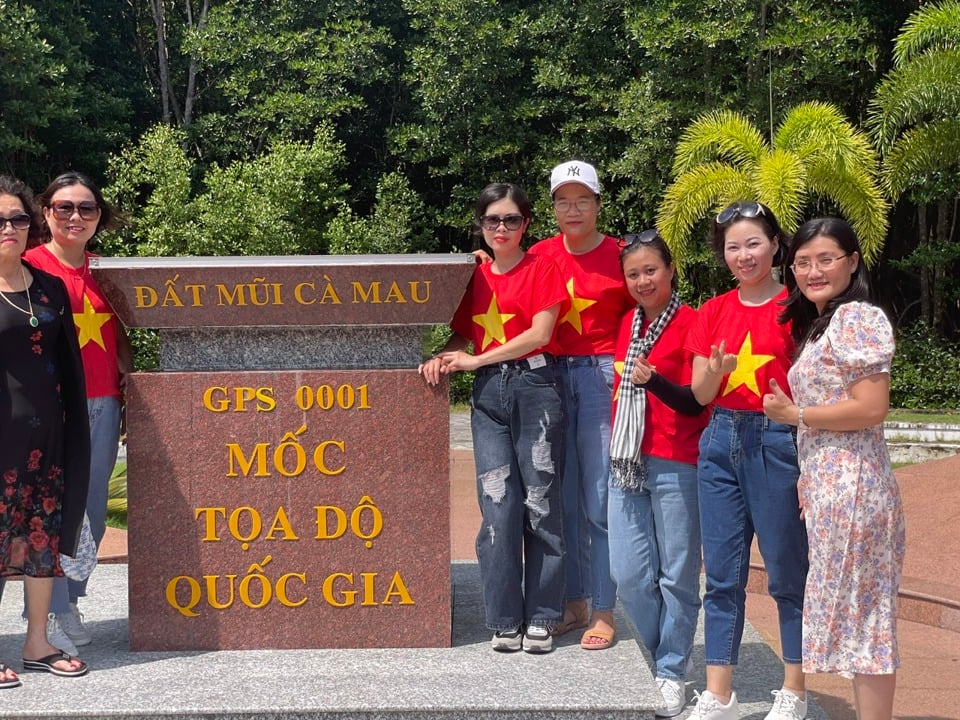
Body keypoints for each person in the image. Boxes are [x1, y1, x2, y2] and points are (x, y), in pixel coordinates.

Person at [763, 217, 905, 720]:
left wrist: (793, 414)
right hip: (830, 485)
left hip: (855, 486)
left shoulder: (858, 318)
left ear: (853, 262)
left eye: (826, 259)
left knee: (868, 619)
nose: (813, 271)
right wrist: (807, 473)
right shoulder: (824, 323)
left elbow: (870, 408)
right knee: (860, 616)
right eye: (802, 262)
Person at [419, 183, 567, 653]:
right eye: (491, 221)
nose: (501, 229)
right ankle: (504, 618)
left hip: (536, 388)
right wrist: (440, 358)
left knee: (540, 504)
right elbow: (462, 337)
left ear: (526, 224)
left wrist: (476, 361)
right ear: (480, 225)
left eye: (511, 220)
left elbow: (539, 334)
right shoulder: (475, 276)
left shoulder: (544, 267)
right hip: (489, 399)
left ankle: (543, 615)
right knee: (498, 506)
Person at [687, 201, 809, 720]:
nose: (744, 255)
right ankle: (719, 694)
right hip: (719, 440)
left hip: (777, 442)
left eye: (754, 243)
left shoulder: (800, 309)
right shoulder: (712, 310)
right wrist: (715, 372)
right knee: (721, 574)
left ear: (776, 245)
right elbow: (698, 392)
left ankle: (795, 690)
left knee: (787, 571)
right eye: (733, 247)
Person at [23, 172, 132, 652]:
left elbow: (124, 332)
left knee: (90, 510)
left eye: (86, 208)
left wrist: (129, 384)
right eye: (64, 207)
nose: (75, 216)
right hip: (50, 406)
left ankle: (71, 598)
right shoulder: (26, 266)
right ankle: (50, 611)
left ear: (98, 217)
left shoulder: (107, 272)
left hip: (104, 401)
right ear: (45, 213)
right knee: (50, 508)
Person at [529, 160, 633, 650]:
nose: (573, 209)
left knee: (599, 499)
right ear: (552, 207)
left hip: (599, 377)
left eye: (582, 199)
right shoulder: (539, 254)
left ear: (597, 203)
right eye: (563, 201)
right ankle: (573, 603)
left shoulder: (621, 253)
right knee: (561, 499)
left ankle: (604, 609)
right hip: (548, 374)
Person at [606, 230, 709, 717]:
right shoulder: (627, 322)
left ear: (670, 270)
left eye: (651, 270)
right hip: (626, 460)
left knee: (678, 578)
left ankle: (671, 669)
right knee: (627, 575)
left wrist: (655, 380)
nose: (643, 280)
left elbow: (696, 402)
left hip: (676, 459)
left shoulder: (692, 322)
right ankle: (663, 652)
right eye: (633, 274)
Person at [0, 174, 90, 681]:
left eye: (16, 218)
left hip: (47, 441)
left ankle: (37, 643)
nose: (8, 227)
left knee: (41, 542)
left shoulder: (49, 286)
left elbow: (68, 365)